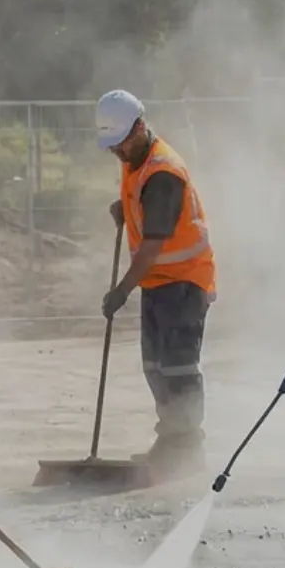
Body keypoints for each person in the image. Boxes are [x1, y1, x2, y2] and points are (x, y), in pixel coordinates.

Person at [95, 90, 217, 481]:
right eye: (111, 147)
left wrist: (121, 290)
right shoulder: (136, 160)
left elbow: (152, 247)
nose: (117, 152)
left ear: (140, 127)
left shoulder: (163, 173)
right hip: (159, 283)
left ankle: (187, 450)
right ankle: (171, 441)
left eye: (120, 143)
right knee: (154, 366)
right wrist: (127, 210)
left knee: (178, 368)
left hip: (185, 282)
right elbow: (142, 205)